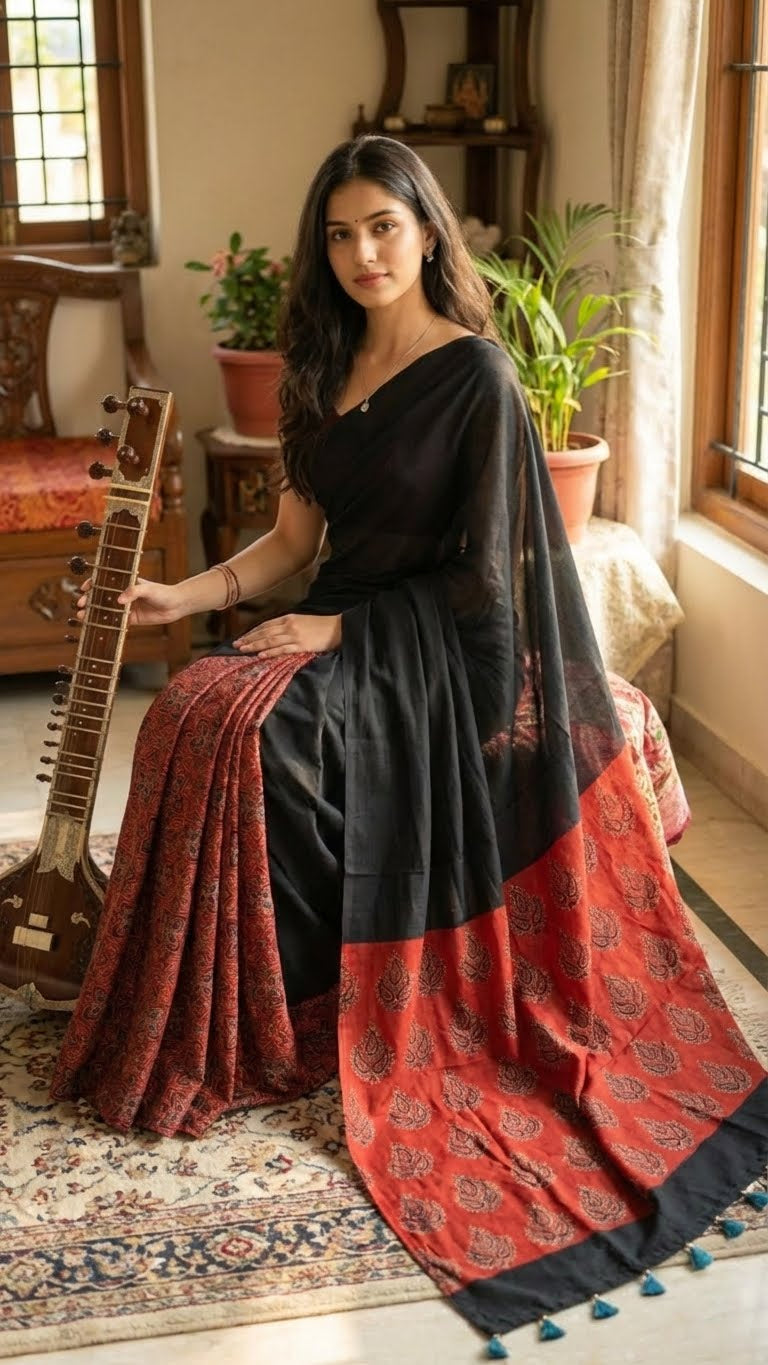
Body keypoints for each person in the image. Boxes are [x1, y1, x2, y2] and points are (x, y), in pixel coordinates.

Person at [51, 136, 767, 1351]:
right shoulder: (322, 362)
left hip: (438, 648)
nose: (363, 253)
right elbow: (288, 542)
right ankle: (230, 1008)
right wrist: (190, 597)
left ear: (428, 231)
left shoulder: (475, 376)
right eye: (340, 234)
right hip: (343, 620)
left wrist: (335, 631)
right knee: (189, 713)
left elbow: (488, 584)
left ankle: (308, 1012)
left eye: (384, 226)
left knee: (258, 741)